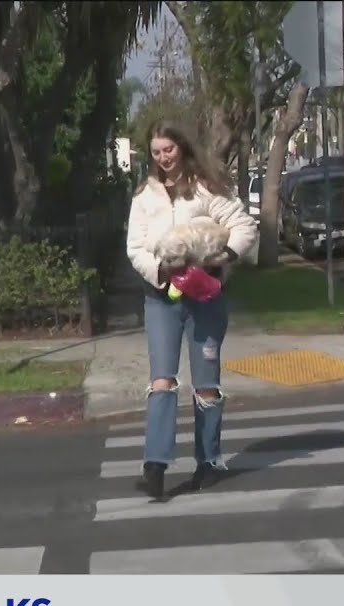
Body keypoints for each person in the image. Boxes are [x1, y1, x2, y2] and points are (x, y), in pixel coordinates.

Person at [125, 123, 258, 502]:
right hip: (161, 298)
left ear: (181, 148)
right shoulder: (144, 197)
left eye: (168, 149)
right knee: (162, 380)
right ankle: (155, 464)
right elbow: (134, 248)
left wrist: (222, 259)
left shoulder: (204, 188)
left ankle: (208, 462)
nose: (163, 157)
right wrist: (159, 272)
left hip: (205, 296)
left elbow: (243, 226)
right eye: (156, 152)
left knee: (206, 385)